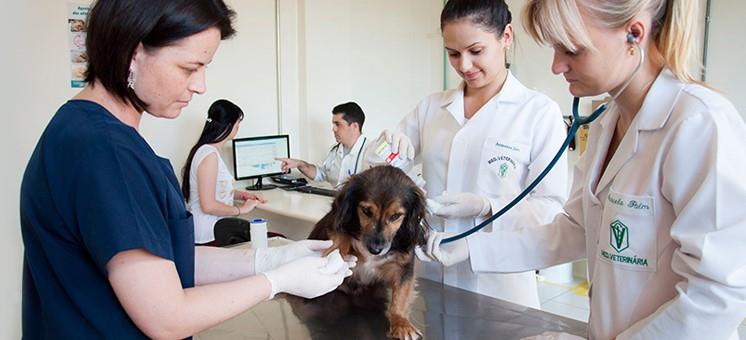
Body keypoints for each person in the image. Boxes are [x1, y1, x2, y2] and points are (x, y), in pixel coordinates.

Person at [19, 1, 354, 338]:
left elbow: (166, 264)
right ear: (132, 54)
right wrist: (278, 282)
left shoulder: (78, 129)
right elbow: (167, 317)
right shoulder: (106, 152)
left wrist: (276, 259)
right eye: (189, 68)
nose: (200, 86)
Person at [421, 0, 746, 339]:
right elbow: (574, 230)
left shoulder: (700, 123)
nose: (556, 66)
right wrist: (471, 249)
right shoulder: (607, 123)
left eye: (571, 50)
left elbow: (719, 293)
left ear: (633, 34)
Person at [391, 0, 569, 309]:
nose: (464, 66)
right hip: (431, 273)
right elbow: (382, 171)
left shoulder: (538, 113)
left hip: (500, 283)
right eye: (453, 54)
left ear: (506, 37)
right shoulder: (431, 108)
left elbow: (549, 210)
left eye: (476, 51)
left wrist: (489, 207)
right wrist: (386, 147)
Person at [182, 99, 268, 246]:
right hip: (207, 235)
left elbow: (215, 189)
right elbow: (208, 205)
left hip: (214, 230)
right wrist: (241, 209)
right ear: (229, 126)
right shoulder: (209, 155)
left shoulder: (207, 151)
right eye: (237, 123)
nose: (238, 127)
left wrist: (242, 195)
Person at [277, 101, 369, 187]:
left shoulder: (371, 152)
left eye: (338, 124)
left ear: (354, 126)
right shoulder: (335, 150)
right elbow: (321, 173)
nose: (334, 129)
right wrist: (299, 164)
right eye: (333, 124)